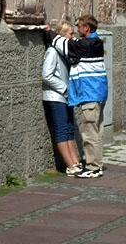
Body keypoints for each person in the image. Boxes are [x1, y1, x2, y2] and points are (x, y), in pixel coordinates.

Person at [45, 15, 108, 178]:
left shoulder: (86, 45)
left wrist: (49, 33)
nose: (76, 32)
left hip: (90, 93)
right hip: (99, 93)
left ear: (86, 28)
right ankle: (97, 165)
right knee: (97, 132)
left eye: (78, 28)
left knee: (89, 132)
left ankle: (93, 167)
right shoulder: (97, 42)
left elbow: (64, 44)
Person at [42, 20, 82, 177]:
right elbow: (47, 75)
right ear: (63, 35)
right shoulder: (53, 51)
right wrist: (64, 88)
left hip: (66, 96)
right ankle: (69, 165)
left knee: (69, 129)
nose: (73, 37)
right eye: (71, 34)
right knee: (61, 129)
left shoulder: (66, 52)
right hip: (56, 96)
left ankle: (75, 162)